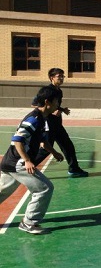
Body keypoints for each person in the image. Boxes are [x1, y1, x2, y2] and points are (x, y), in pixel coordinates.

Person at [0, 86, 64, 235]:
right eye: (57, 101)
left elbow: (42, 140)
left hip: (10, 162)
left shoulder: (42, 119)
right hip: (18, 162)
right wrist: (27, 160)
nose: (58, 104)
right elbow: (17, 140)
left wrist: (54, 152)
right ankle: (29, 223)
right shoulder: (33, 119)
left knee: (2, 192)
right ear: (47, 102)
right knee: (44, 188)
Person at [33, 68, 88, 177]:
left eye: (63, 76)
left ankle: (74, 169)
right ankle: (25, 166)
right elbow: (35, 104)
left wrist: (62, 109)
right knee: (46, 149)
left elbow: (55, 106)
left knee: (68, 146)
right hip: (48, 123)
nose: (62, 78)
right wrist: (52, 112)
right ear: (52, 78)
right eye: (59, 76)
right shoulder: (47, 91)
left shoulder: (59, 91)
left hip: (57, 124)